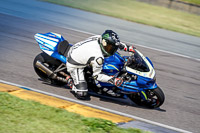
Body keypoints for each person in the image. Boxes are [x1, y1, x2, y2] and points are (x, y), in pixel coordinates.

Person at [66, 30, 135, 99]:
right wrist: (113, 80)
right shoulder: (98, 57)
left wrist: (127, 47)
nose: (111, 49)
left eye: (112, 48)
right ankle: (71, 81)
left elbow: (116, 43)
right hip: (75, 64)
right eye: (109, 47)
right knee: (82, 93)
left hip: (77, 50)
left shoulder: (99, 38)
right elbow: (97, 76)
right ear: (104, 43)